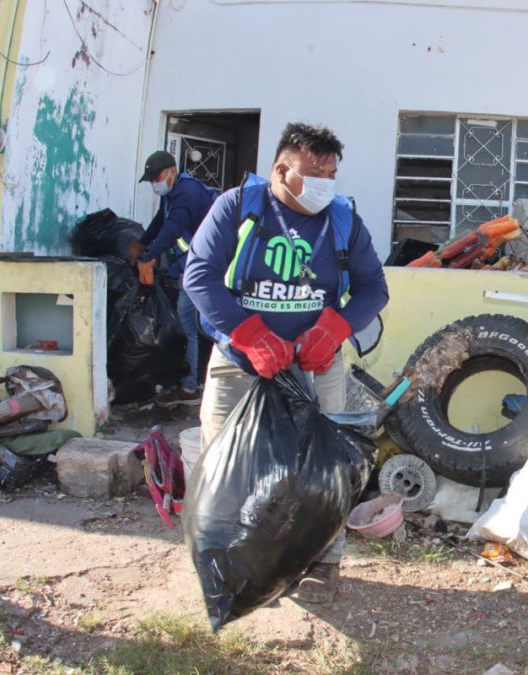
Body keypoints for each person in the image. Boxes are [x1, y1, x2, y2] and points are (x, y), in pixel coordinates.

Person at [183, 122, 389, 604]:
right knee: (225, 468)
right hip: (239, 363)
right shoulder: (237, 207)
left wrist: (335, 328)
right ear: (281, 169)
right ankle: (230, 571)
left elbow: (373, 288)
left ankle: (321, 564)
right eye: (315, 173)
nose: (326, 185)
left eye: (332, 175)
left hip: (319, 366)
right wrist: (248, 333)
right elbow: (199, 274)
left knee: (323, 471)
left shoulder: (342, 220)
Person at [128, 150, 216, 407]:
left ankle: (190, 386)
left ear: (172, 172)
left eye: (157, 177)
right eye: (152, 179)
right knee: (196, 325)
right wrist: (142, 243)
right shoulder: (173, 194)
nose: (155, 183)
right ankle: (197, 379)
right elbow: (160, 221)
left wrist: (150, 257)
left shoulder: (187, 193)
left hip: (203, 268)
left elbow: (172, 229)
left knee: (188, 323)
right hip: (190, 267)